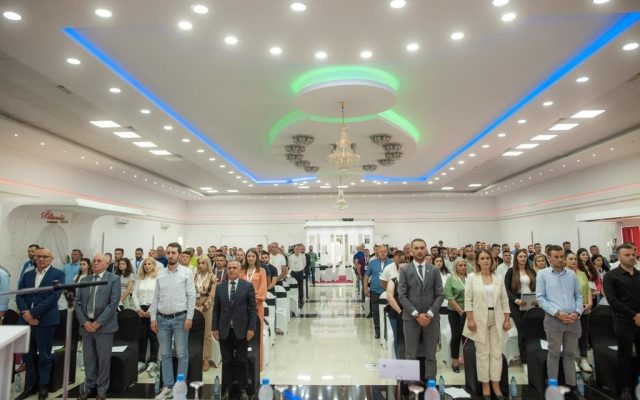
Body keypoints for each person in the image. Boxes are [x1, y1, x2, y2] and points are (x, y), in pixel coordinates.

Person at [15, 248, 65, 400]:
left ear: (51, 258)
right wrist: (26, 313)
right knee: (28, 356)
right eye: (38, 257)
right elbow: (20, 295)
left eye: (45, 256)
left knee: (44, 355)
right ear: (34, 258)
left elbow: (53, 297)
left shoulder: (58, 274)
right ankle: (30, 386)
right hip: (26, 320)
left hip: (45, 321)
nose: (41, 259)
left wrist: (33, 313)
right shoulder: (28, 274)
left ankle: (43, 386)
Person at [150, 242, 196, 400]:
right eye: (168, 253)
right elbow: (156, 297)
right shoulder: (160, 273)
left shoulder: (187, 273)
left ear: (179, 255)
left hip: (180, 319)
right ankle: (168, 387)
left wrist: (189, 317)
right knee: (165, 354)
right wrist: (153, 318)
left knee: (182, 354)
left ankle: (180, 388)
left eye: (173, 253)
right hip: (162, 319)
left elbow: (191, 296)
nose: (170, 255)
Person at [536, 245, 583, 399]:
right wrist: (557, 313)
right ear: (549, 258)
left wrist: (578, 312)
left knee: (570, 354)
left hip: (573, 320)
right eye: (556, 257)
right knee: (554, 354)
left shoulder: (571, 274)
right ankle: (553, 387)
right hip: (554, 320)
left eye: (562, 256)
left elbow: (578, 296)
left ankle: (572, 387)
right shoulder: (542, 274)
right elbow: (540, 298)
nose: (560, 259)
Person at [463, 250, 511, 400]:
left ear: (492, 260)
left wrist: (507, 319)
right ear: (478, 261)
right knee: (482, 354)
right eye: (482, 258)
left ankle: (495, 383)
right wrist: (470, 319)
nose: (485, 261)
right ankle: (485, 384)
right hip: (478, 318)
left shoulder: (498, 277)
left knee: (496, 353)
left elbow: (504, 299)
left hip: (497, 318)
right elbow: (468, 299)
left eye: (487, 258)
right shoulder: (472, 277)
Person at [75, 253, 121, 400]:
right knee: (88, 359)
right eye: (94, 261)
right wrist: (85, 322)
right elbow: (77, 303)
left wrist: (97, 323)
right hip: (86, 326)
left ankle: (102, 390)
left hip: (104, 327)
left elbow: (113, 303)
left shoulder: (114, 279)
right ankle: (89, 387)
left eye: (99, 261)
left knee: (103, 360)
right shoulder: (85, 280)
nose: (95, 263)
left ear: (106, 264)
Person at [398, 239, 444, 381]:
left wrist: (429, 314)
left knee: (431, 354)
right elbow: (402, 295)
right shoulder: (405, 270)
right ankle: (412, 385)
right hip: (411, 318)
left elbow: (440, 294)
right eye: (416, 248)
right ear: (411, 251)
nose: (419, 251)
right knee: (410, 355)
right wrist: (416, 314)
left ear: (426, 250)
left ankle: (430, 384)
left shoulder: (434, 270)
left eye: (422, 248)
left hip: (431, 319)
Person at [212, 260, 257, 400]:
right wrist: (214, 328)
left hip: (242, 330)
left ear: (239, 270)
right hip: (224, 330)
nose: (231, 270)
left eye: (234, 268)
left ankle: (243, 389)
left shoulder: (247, 286)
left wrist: (251, 328)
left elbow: (252, 309)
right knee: (227, 361)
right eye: (229, 268)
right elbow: (216, 310)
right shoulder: (220, 287)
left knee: (241, 360)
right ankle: (226, 389)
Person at [602, 243, 640, 400]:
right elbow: (613, 300)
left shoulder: (639, 274)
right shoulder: (611, 276)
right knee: (624, 356)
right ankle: (625, 388)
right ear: (619, 257)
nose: (632, 257)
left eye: (633, 254)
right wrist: (634, 315)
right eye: (627, 255)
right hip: (624, 321)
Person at [504, 248, 536, 365]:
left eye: (525, 256)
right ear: (516, 258)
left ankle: (531, 355)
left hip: (530, 301)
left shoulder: (531, 271)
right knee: (521, 329)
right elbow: (506, 290)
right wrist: (516, 300)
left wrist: (536, 300)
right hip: (516, 303)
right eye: (520, 256)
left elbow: (537, 287)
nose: (523, 258)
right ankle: (524, 360)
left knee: (531, 330)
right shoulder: (511, 271)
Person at [565, 252, 593, 373]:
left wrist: (590, 302)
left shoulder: (582, 274)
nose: (574, 261)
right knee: (570, 335)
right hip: (570, 310)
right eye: (570, 259)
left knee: (584, 333)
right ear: (565, 261)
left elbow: (588, 289)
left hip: (584, 308)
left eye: (575, 259)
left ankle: (583, 358)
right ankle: (571, 359)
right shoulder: (563, 275)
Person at [131, 257, 160, 373]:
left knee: (153, 336)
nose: (147, 266)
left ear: (153, 265)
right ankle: (141, 361)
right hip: (141, 310)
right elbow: (134, 294)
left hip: (153, 309)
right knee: (141, 336)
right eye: (145, 264)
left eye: (149, 264)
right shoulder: (139, 278)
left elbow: (159, 295)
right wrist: (138, 309)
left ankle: (153, 360)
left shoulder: (157, 278)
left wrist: (151, 310)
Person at [242, 248, 268, 369]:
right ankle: (243, 362)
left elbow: (263, 290)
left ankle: (258, 363)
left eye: (253, 256)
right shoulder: (242, 271)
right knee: (243, 334)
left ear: (257, 258)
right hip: (242, 306)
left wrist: (252, 300)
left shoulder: (261, 271)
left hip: (257, 306)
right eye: (249, 256)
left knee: (256, 333)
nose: (251, 258)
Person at [365, 244, 394, 339]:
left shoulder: (392, 262)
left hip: (389, 292)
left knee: (390, 312)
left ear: (387, 252)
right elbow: (366, 276)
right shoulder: (372, 263)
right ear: (377, 252)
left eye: (385, 251)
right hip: (375, 291)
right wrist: (365, 288)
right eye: (381, 251)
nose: (383, 253)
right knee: (376, 312)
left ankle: (388, 331)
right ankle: (378, 331)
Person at [444, 258, 467, 373]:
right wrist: (459, 310)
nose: (463, 267)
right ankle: (455, 361)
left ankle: (468, 360)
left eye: (464, 265)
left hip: (469, 311)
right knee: (456, 336)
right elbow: (449, 296)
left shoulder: (470, 278)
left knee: (468, 337)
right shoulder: (451, 279)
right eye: (460, 265)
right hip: (454, 311)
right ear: (456, 267)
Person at [194, 256, 217, 372]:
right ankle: (195, 356)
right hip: (194, 303)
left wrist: (204, 305)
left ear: (208, 264)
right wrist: (193, 306)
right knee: (194, 332)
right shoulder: (194, 276)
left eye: (203, 263)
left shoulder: (212, 277)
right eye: (199, 263)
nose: (201, 265)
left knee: (206, 333)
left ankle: (206, 359)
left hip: (207, 304)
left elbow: (212, 294)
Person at [386, 265, 406, 359]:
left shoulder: (413, 281)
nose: (403, 270)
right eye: (401, 269)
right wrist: (400, 311)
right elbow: (390, 297)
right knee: (398, 336)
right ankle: (399, 359)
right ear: (398, 270)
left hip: (410, 313)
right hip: (396, 313)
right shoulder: (393, 281)